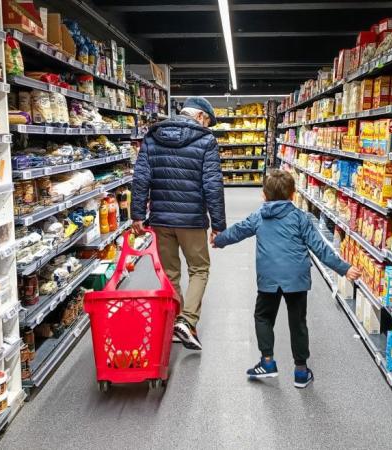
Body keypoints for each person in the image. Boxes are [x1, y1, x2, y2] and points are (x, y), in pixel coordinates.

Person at [212, 169, 361, 388]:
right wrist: (344, 268)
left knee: (263, 316)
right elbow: (319, 247)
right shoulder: (300, 218)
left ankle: (267, 362)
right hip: (296, 279)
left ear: (263, 195)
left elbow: (239, 230)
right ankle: (301, 372)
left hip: (269, 279)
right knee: (298, 322)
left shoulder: (259, 216)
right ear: (293, 195)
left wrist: (220, 240)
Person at [131, 96, 226, 351]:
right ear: (201, 117)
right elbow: (213, 186)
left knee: (169, 272)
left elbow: (140, 179)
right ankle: (187, 320)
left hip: (161, 218)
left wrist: (137, 215)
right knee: (199, 269)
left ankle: (175, 318)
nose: (207, 127)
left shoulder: (152, 137)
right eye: (208, 121)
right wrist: (218, 225)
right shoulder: (206, 141)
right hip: (192, 220)